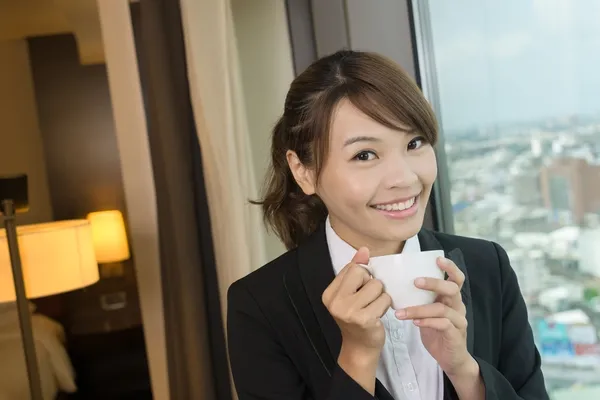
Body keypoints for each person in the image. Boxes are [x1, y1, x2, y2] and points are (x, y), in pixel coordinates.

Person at [227, 50, 549, 400]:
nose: (404, 177)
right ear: (303, 171)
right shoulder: (261, 305)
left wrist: (466, 373)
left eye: (414, 143)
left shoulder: (488, 267)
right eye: (365, 155)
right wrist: (358, 356)